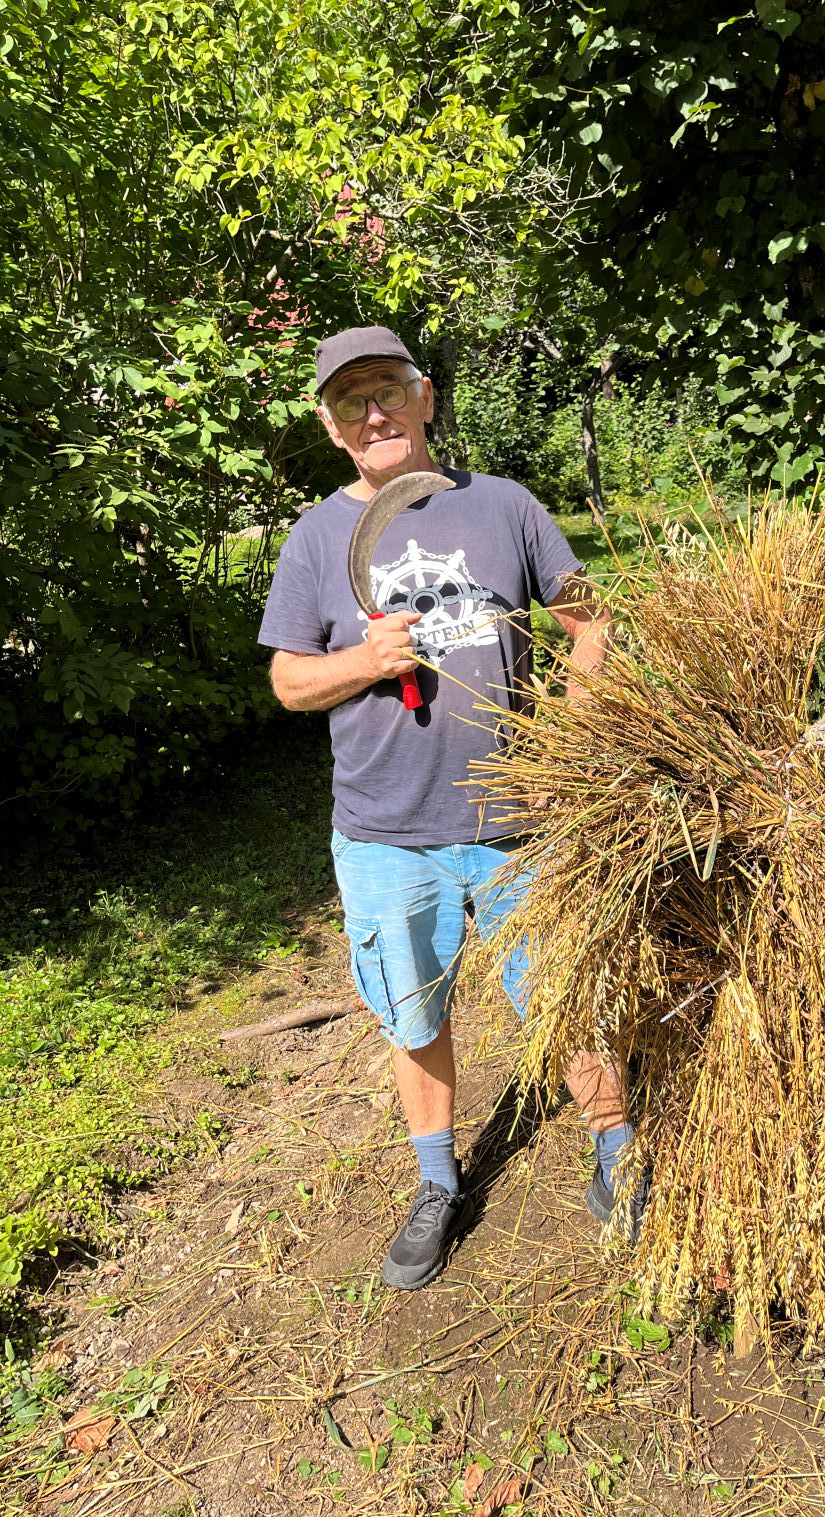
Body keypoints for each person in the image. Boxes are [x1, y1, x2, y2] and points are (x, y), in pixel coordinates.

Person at [258, 326, 638, 1290]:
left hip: (522, 822)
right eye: (351, 402)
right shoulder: (315, 538)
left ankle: (617, 1148)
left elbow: (590, 620)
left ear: (425, 396)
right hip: (387, 833)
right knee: (413, 1013)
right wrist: (363, 661)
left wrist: (570, 730)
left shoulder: (505, 506)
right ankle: (437, 1182)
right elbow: (289, 681)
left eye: (389, 390)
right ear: (331, 426)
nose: (374, 414)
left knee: (570, 996)